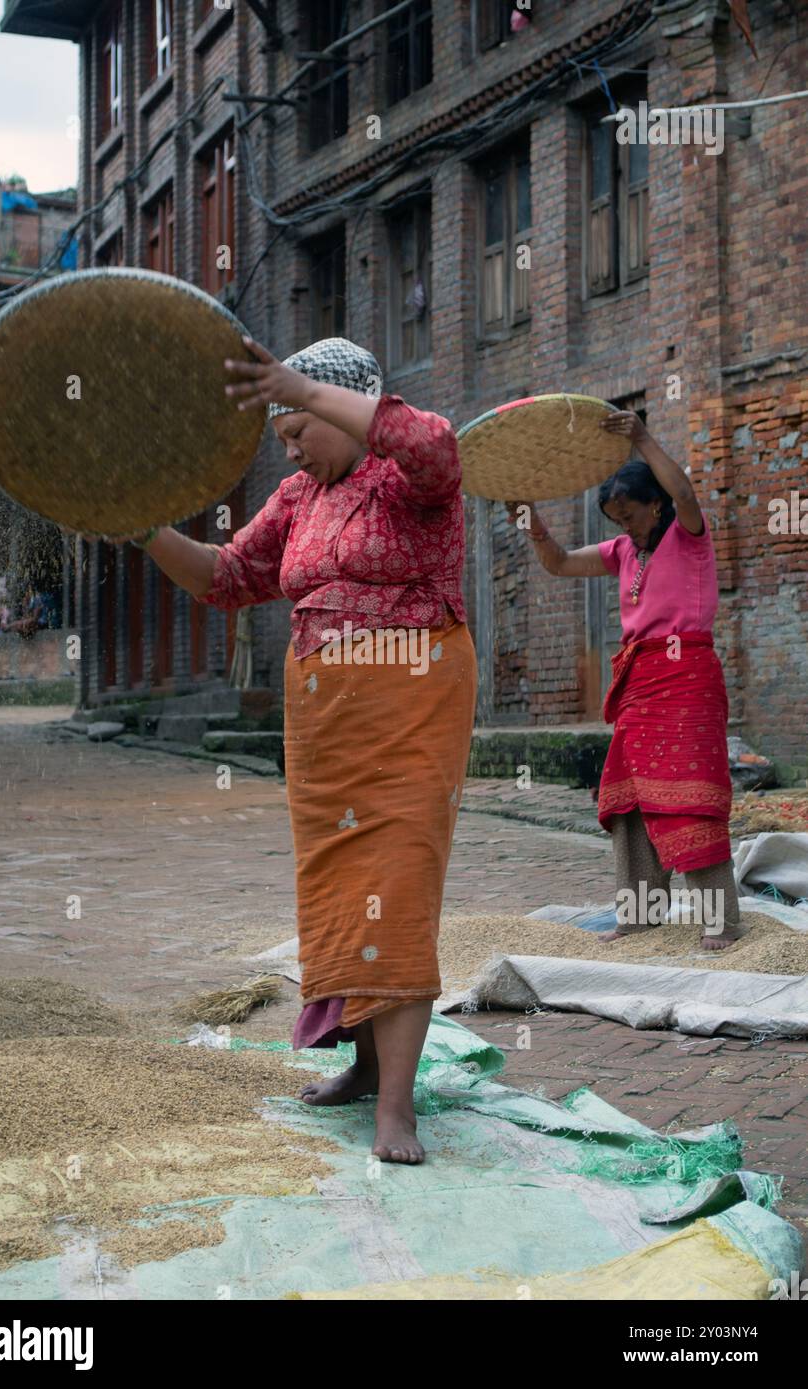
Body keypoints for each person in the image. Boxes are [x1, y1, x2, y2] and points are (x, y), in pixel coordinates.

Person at [119, 336, 477, 1163]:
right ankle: (359, 1066)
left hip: (410, 703)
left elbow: (434, 442)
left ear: (335, 406)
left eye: (296, 426)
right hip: (324, 724)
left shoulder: (412, 481)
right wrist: (144, 532)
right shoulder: (298, 495)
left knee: (398, 883)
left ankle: (397, 1108)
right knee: (344, 888)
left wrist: (297, 386)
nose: (289, 445)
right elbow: (225, 575)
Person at [508, 410, 743, 951]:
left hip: (686, 679)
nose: (625, 526)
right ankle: (641, 915)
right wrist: (530, 519)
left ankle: (722, 921)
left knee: (688, 795)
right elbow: (560, 563)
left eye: (630, 515)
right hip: (638, 683)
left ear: (655, 503)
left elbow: (684, 488)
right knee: (633, 799)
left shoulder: (688, 534)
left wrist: (640, 437)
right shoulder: (621, 552)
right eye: (616, 519)